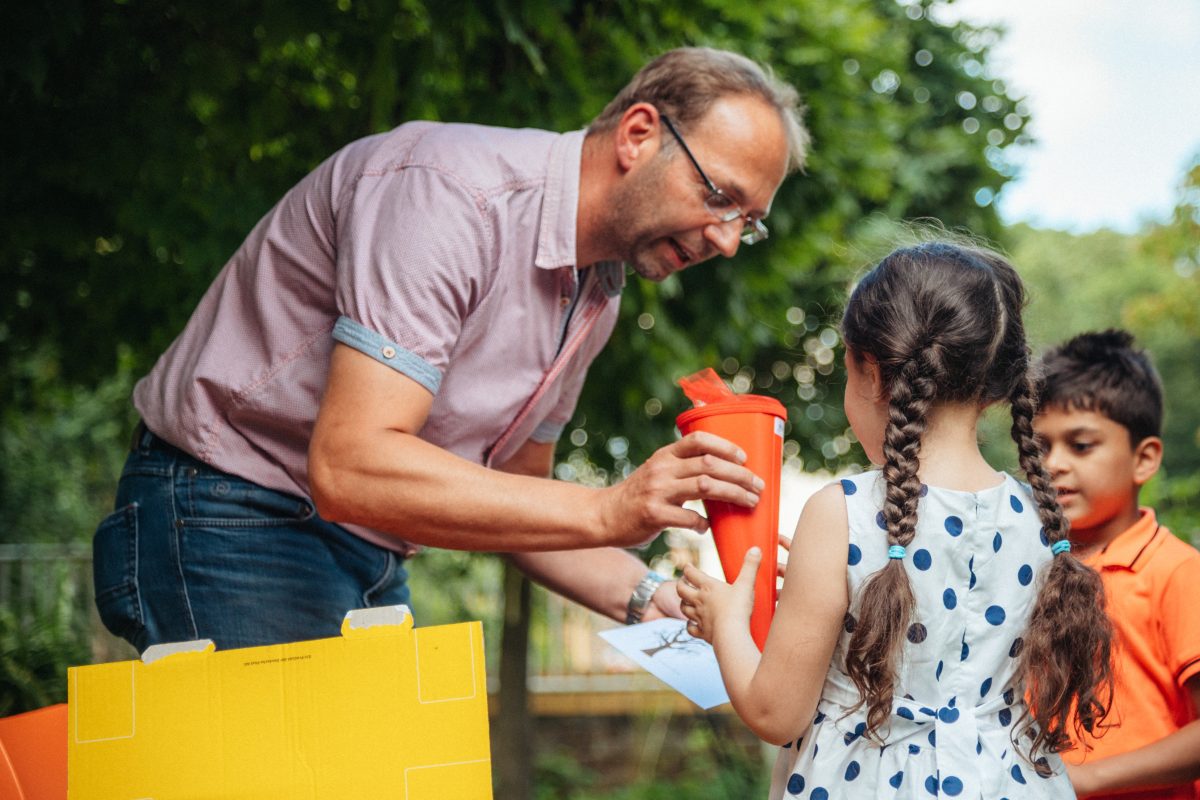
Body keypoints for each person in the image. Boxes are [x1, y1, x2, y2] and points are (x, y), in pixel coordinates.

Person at [92, 47, 811, 653]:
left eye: (746, 223)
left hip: (368, 543)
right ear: (638, 135)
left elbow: (524, 507)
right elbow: (351, 464)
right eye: (720, 195)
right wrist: (612, 505)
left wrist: (658, 598)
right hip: (233, 509)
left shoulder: (597, 294)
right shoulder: (449, 194)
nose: (724, 240)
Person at [678, 241, 1113, 799]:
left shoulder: (843, 512)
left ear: (873, 373)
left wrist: (723, 621)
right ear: (995, 385)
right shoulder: (1040, 516)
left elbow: (774, 712)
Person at [1034, 330, 1200, 799]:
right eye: (1040, 447)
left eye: (1081, 445)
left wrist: (1085, 779)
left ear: (1143, 459)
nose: (1054, 465)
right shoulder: (1030, 570)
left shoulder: (1177, 572)